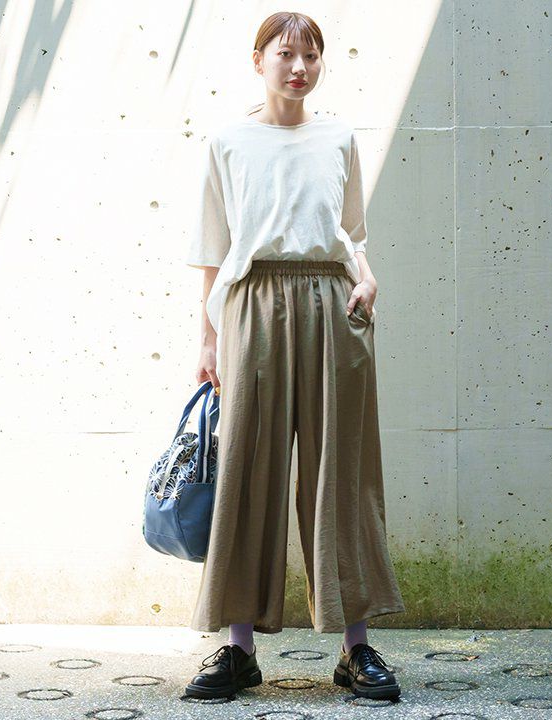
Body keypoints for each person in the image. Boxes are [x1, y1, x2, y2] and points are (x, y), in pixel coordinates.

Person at [183, 11, 406, 702]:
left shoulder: (338, 137)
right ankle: (238, 649)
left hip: (333, 302)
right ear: (259, 60)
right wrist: (207, 337)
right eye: (286, 54)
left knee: (343, 470)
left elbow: (350, 233)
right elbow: (212, 247)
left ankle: (355, 648)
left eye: (311, 54)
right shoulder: (228, 140)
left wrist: (367, 276)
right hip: (252, 299)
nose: (300, 67)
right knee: (247, 469)